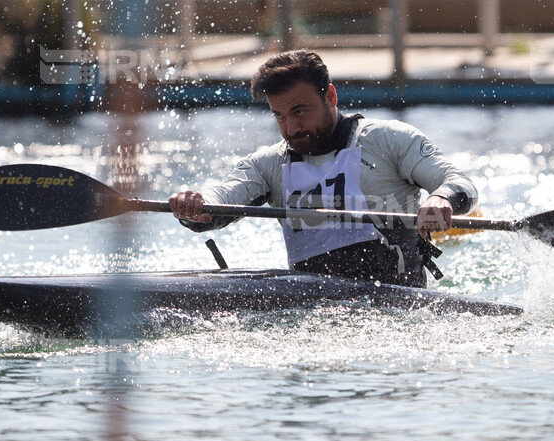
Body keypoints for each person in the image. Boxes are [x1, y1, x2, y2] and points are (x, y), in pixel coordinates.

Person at [169, 50, 476, 288]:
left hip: (398, 304)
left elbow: (458, 181)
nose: (290, 128)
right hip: (313, 308)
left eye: (300, 111)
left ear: (330, 96)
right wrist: (195, 204)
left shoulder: (390, 141)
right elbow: (225, 195)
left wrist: (442, 198)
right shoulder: (268, 164)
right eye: (279, 116)